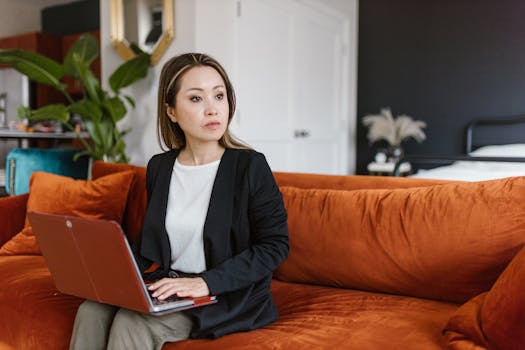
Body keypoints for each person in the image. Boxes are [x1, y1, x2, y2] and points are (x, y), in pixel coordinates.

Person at [69, 53, 289, 350]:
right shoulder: (160, 167)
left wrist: (205, 282)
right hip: (172, 285)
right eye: (196, 99)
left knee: (132, 322)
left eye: (219, 96)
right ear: (171, 111)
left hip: (224, 294)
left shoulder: (250, 167)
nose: (212, 109)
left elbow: (275, 245)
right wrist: (112, 273)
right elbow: (151, 242)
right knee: (91, 309)